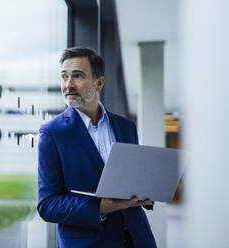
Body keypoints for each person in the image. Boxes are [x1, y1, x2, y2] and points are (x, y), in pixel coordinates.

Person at [37, 47, 157, 248]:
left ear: (99, 83)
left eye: (77, 76)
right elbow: (47, 205)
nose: (68, 85)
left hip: (137, 240)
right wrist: (100, 207)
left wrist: (146, 191)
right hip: (88, 243)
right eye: (64, 77)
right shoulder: (52, 134)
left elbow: (133, 180)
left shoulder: (126, 127)